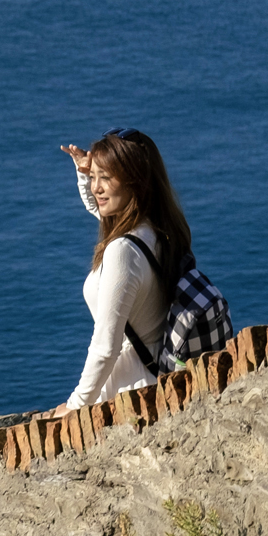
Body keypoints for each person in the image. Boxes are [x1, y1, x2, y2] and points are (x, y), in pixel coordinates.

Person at [56, 128, 196, 412]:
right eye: (94, 178)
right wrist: (87, 174)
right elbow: (100, 207)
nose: (96, 188)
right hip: (153, 377)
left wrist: (74, 407)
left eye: (106, 178)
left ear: (135, 182)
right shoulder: (159, 229)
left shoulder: (123, 251)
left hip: (130, 393)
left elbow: (105, 348)